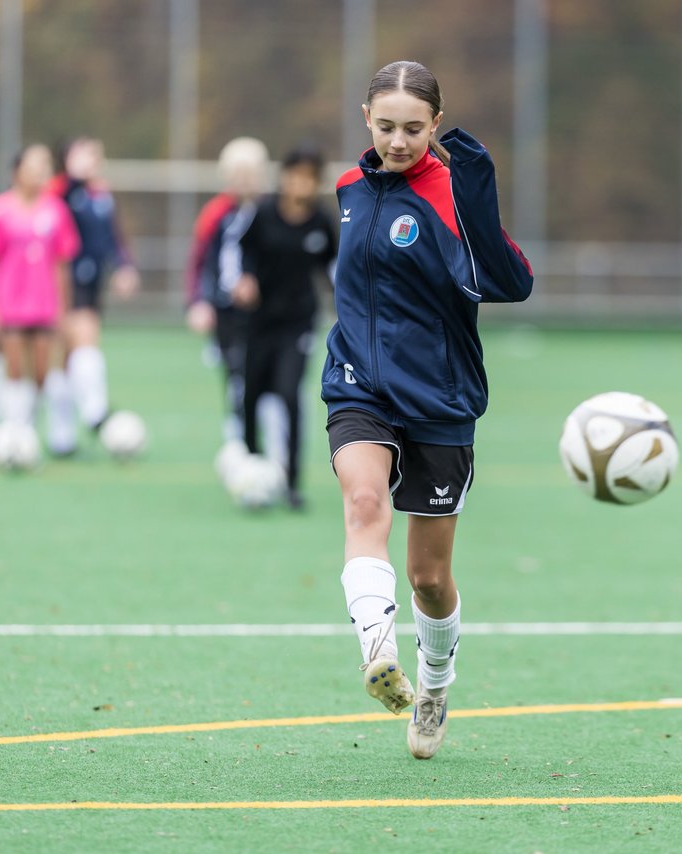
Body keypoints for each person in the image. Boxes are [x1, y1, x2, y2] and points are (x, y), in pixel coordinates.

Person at [327, 60, 533, 759]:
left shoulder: (449, 191)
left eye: (414, 129)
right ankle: (378, 652)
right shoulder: (348, 189)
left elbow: (511, 282)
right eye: (386, 126)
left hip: (439, 397)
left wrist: (476, 196)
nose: (398, 141)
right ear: (366, 118)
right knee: (363, 504)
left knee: (429, 577)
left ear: (436, 125)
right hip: (358, 384)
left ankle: (435, 685)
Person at [234, 144, 338, 510]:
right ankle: (251, 466)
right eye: (295, 175)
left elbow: (333, 268)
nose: (300, 183)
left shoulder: (321, 221)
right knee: (251, 395)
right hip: (260, 321)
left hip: (298, 323)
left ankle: (292, 481)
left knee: (289, 394)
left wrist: (346, 305)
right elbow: (243, 250)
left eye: (308, 178)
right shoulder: (264, 213)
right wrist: (246, 278)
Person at [0, 144, 80, 436]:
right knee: (14, 369)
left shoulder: (56, 210)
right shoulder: (0, 210)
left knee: (42, 372)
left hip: (44, 304)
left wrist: (64, 309)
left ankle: (30, 426)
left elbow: (62, 264)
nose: (39, 172)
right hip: (10, 304)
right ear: (17, 171)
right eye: (32, 166)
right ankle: (13, 429)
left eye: (44, 166)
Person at [46, 136, 139, 454]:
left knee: (67, 356)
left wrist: (124, 267)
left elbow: (112, 236)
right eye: (83, 154)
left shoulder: (101, 194)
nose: (91, 160)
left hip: (92, 280)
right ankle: (95, 412)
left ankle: (62, 436)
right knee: (80, 342)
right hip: (63, 281)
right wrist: (74, 177)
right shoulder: (58, 192)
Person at [185, 137, 268, 445]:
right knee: (235, 372)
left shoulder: (270, 211)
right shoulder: (215, 214)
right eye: (237, 173)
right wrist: (198, 301)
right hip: (226, 309)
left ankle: (267, 434)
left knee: (265, 373)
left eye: (249, 173)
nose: (243, 180)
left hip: (265, 310)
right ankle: (239, 434)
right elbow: (200, 262)